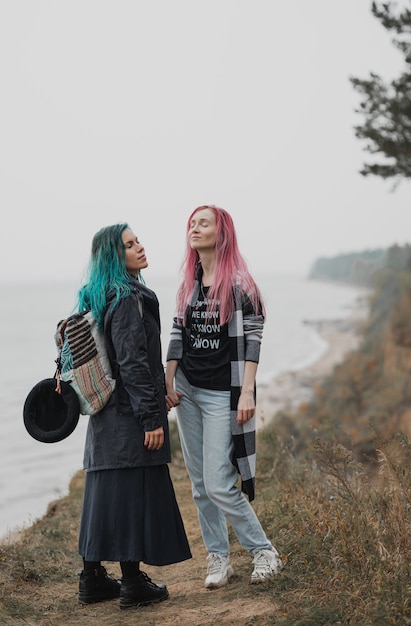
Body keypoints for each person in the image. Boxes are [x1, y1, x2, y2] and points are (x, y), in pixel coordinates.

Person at [165, 205, 282, 589]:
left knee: (219, 482)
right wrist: (169, 380)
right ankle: (219, 558)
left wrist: (247, 391)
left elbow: (254, 336)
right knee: (199, 484)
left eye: (204, 223)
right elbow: (177, 334)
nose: (194, 228)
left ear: (222, 232)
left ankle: (264, 551)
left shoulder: (240, 282)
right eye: (192, 223)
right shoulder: (188, 281)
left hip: (223, 393)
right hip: (188, 390)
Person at [76, 223, 192, 610]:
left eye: (137, 240)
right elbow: (132, 361)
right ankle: (132, 584)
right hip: (129, 416)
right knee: (130, 497)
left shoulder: (95, 296)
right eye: (129, 245)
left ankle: (92, 579)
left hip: (104, 414)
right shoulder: (126, 296)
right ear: (114, 256)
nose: (140, 247)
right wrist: (150, 418)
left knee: (103, 495)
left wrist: (160, 394)